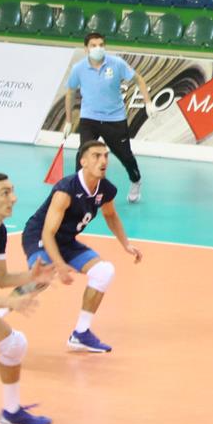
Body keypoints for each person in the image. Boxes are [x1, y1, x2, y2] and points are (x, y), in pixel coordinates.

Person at [21, 139, 143, 353]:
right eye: (96, 156)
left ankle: (81, 333)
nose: (103, 160)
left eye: (105, 156)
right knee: (41, 279)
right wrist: (59, 265)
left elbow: (111, 215)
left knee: (104, 271)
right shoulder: (66, 189)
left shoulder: (105, 189)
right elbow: (48, 233)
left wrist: (126, 244)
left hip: (66, 241)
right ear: (83, 161)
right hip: (39, 236)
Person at [0, 172, 55, 424]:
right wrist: (9, 303)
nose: (14, 198)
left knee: (14, 344)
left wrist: (31, 276)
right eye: (5, 193)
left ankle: (11, 412)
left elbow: (2, 278)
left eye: (13, 191)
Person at [65, 32, 155, 203]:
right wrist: (68, 121)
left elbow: (139, 79)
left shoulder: (117, 63)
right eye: (93, 45)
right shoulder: (78, 68)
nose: (98, 48)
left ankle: (136, 180)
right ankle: (79, 191)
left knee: (125, 156)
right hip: (89, 118)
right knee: (83, 154)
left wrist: (148, 102)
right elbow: (70, 93)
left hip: (115, 119)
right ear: (86, 49)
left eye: (101, 45)